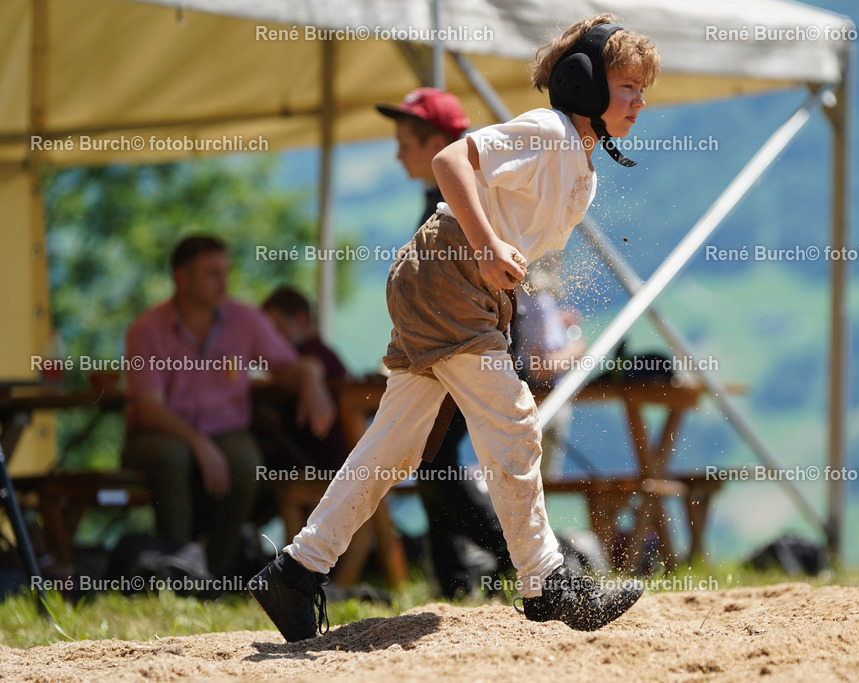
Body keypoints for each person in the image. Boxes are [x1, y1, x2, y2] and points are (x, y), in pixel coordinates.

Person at [250, 15, 660, 641]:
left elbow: (515, 234)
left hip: (460, 286)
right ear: (584, 83)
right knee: (513, 420)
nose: (638, 101)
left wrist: (503, 270)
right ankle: (545, 580)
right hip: (448, 275)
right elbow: (450, 160)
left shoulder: (581, 165)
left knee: (396, 444)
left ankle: (295, 570)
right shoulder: (548, 131)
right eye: (627, 86)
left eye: (642, 90)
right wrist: (489, 244)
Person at [123, 236, 336, 580]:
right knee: (172, 456)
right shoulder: (146, 330)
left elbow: (287, 366)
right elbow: (148, 409)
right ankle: (175, 570)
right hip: (159, 432)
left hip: (225, 430)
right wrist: (199, 443)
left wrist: (311, 377)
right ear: (181, 277)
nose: (224, 283)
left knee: (245, 461)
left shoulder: (245, 319)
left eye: (226, 272)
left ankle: (220, 574)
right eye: (212, 274)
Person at [376, 86, 514, 598]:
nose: (397, 155)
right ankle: (456, 580)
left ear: (436, 143)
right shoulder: (450, 197)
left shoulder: (459, 201)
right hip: (457, 348)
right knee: (432, 459)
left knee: (432, 463)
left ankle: (520, 557)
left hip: (467, 349)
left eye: (405, 144)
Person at [258, 285, 350, 474]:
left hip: (318, 464)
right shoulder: (303, 354)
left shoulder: (316, 352)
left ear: (301, 319)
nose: (271, 339)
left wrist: (309, 378)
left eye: (277, 328)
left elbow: (311, 365)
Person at [514, 254, 585, 479]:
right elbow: (540, 369)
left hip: (524, 399)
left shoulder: (522, 297)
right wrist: (575, 351)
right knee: (544, 481)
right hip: (545, 399)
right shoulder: (539, 302)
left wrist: (555, 318)